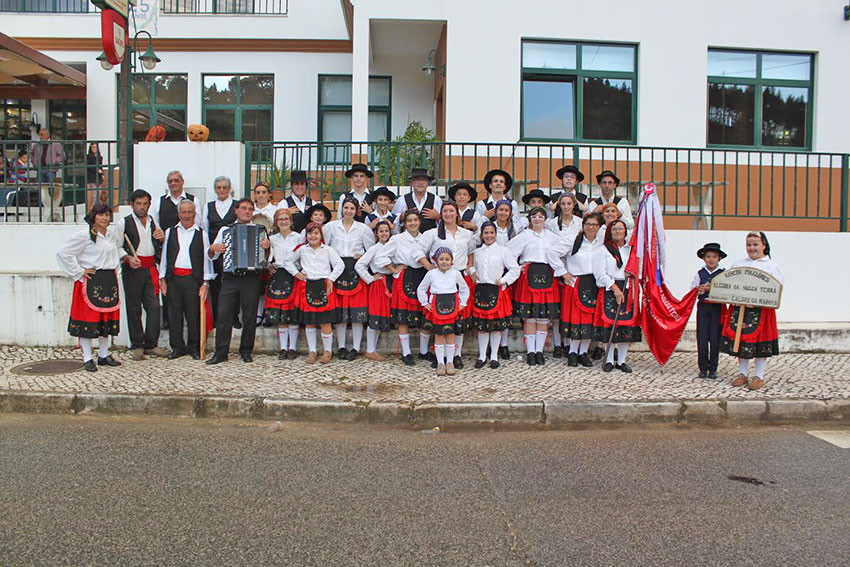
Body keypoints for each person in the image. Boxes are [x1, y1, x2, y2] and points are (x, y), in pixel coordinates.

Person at [56, 203, 121, 372]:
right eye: (100, 215)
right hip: (91, 280)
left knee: (105, 319)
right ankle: (87, 358)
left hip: (108, 280)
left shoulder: (111, 235)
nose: (104, 218)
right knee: (88, 321)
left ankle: (103, 355)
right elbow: (63, 253)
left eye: (107, 215)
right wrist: (79, 271)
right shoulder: (84, 235)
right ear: (94, 217)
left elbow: (114, 255)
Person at [206, 198, 270, 364]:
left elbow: (267, 260)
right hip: (231, 277)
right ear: (236, 210)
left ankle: (246, 351)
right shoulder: (225, 230)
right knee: (224, 315)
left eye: (250, 209)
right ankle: (220, 352)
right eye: (243, 208)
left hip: (251, 278)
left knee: (249, 315)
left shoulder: (260, 231)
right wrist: (213, 248)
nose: (247, 211)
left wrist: (267, 247)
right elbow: (213, 254)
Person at [413, 201, 475, 369]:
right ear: (441, 214)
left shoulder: (465, 234)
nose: (448, 214)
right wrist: (429, 267)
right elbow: (417, 251)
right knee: (439, 319)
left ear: (456, 213)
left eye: (451, 211)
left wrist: (469, 266)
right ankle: (438, 355)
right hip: (439, 278)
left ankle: (456, 355)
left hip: (458, 277)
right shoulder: (433, 233)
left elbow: (471, 251)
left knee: (458, 320)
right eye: (445, 211)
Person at [720, 232, 785, 391]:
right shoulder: (738, 265)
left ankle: (759, 376)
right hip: (740, 309)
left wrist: (757, 302)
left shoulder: (772, 267)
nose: (752, 248)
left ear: (764, 245)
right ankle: (742, 374)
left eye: (755, 244)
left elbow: (776, 291)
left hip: (761, 312)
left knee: (760, 344)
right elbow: (729, 286)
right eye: (749, 245)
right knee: (741, 341)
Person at [114, 189, 167, 360]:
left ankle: (151, 344)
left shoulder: (153, 221)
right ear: (132, 204)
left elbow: (159, 243)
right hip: (133, 269)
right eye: (138, 204)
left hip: (150, 268)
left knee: (154, 307)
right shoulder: (124, 223)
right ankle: (137, 345)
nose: (142, 207)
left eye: (145, 204)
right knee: (134, 307)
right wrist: (128, 258)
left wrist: (161, 237)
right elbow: (117, 246)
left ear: (149, 205)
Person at [158, 200, 214, 360]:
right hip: (174, 278)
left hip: (192, 279)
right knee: (174, 314)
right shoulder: (170, 232)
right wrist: (162, 279)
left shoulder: (201, 234)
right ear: (179, 214)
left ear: (194, 213)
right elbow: (165, 256)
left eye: (190, 212)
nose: (187, 215)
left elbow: (206, 260)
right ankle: (177, 347)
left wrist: (205, 283)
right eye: (184, 212)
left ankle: (194, 347)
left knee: (193, 314)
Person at [508, 207, 562, 366]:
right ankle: (531, 352)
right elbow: (508, 253)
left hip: (547, 276)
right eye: (534, 216)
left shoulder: (552, 237)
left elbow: (563, 253)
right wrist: (518, 267)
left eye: (540, 216)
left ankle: (539, 351)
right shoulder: (523, 236)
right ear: (530, 219)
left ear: (545, 219)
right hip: (529, 276)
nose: (537, 219)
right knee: (530, 316)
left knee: (543, 317)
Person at [284, 222, 344, 364]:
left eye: (316, 233)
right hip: (308, 285)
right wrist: (297, 274)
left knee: (325, 321)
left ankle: (327, 351)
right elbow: (287, 262)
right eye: (310, 233)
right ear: (306, 236)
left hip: (324, 286)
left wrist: (331, 278)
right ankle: (312, 351)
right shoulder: (302, 249)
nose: (313, 236)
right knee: (309, 322)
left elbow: (339, 264)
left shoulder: (328, 250)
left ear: (321, 235)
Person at [323, 198, 376, 360]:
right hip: (338, 269)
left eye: (352, 208)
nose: (348, 211)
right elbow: (324, 247)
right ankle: (341, 347)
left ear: (356, 211)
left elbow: (371, 250)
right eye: (346, 207)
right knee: (341, 312)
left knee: (356, 311)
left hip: (355, 269)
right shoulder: (331, 227)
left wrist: (362, 256)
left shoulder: (363, 229)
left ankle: (355, 347)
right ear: (342, 209)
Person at [149, 170, 202, 331]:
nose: (173, 183)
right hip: (168, 245)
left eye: (176, 180)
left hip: (189, 247)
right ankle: (167, 321)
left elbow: (199, 223)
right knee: (169, 290)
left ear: (182, 182)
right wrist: (159, 234)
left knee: (191, 303)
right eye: (170, 181)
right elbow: (153, 223)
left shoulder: (193, 200)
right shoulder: (159, 202)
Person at [550, 212, 603, 367]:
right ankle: (573, 352)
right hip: (576, 283)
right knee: (576, 320)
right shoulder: (572, 239)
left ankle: (583, 352)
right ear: (583, 225)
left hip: (593, 284)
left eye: (594, 225)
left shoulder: (602, 242)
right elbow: (552, 253)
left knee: (589, 320)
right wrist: (563, 272)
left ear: (599, 227)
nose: (591, 227)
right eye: (588, 224)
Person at [377, 209, 428, 365]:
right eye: (409, 221)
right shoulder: (397, 239)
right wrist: (393, 269)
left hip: (423, 277)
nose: (412, 223)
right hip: (404, 277)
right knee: (403, 319)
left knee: (425, 315)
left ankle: (424, 352)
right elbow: (381, 257)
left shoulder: (425, 238)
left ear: (419, 222)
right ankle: (406, 353)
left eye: (415, 220)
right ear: (404, 223)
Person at [469, 222, 520, 369]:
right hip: (481, 291)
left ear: (496, 234)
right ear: (481, 235)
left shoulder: (503, 251)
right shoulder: (477, 252)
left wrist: (503, 280)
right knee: (483, 327)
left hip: (496, 291)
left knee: (496, 327)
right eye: (486, 233)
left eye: (491, 232)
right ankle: (482, 356)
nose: (489, 235)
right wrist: (472, 271)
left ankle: (494, 356)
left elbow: (515, 269)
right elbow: (471, 266)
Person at [593, 219, 641, 373]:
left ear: (625, 231)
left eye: (620, 228)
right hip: (610, 288)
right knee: (611, 325)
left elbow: (639, 268)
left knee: (626, 325)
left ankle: (621, 360)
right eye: (614, 229)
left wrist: (632, 274)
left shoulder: (631, 250)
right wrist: (614, 288)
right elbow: (599, 273)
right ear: (610, 232)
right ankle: (608, 360)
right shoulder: (603, 250)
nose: (618, 231)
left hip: (628, 288)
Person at [417, 247, 470, 376]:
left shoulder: (456, 273)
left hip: (451, 307)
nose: (444, 262)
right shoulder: (431, 274)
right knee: (439, 335)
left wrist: (462, 303)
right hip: (437, 307)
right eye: (441, 259)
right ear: (436, 261)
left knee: (450, 334)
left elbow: (464, 289)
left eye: (447, 259)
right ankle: (440, 363)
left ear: (451, 261)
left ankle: (450, 362)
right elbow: (421, 289)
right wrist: (425, 303)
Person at [545, 192, 582, 357]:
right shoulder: (552, 224)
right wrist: (559, 269)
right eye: (563, 204)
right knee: (556, 310)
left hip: (574, 268)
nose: (566, 207)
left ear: (574, 205)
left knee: (570, 309)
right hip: (556, 268)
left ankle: (568, 342)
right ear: (559, 205)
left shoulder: (580, 223)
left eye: (569, 203)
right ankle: (558, 343)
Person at [355, 220, 397, 361]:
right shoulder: (374, 249)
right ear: (376, 234)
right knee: (375, 315)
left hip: (389, 282)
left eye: (386, 231)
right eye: (381, 231)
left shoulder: (393, 246)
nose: (384, 233)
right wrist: (370, 278)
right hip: (378, 284)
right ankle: (370, 349)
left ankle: (373, 349)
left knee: (382, 316)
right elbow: (359, 265)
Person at [266, 208, 303, 360]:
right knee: (281, 314)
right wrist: (269, 265)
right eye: (280, 219)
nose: (283, 222)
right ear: (276, 222)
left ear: (290, 220)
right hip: (278, 275)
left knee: (292, 314)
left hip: (294, 275)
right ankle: (283, 348)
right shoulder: (271, 239)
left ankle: (292, 347)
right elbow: (266, 256)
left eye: (286, 218)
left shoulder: (299, 237)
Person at [204, 175, 237, 325]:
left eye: (225, 187)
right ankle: (217, 318)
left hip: (233, 252)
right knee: (216, 285)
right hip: (215, 253)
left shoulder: (236, 205)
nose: (222, 190)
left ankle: (234, 317)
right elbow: (205, 229)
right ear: (215, 190)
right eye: (219, 187)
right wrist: (210, 248)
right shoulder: (209, 206)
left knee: (234, 285)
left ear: (229, 189)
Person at [691, 242, 727, 379]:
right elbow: (693, 290)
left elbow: (727, 290)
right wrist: (699, 290)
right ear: (704, 258)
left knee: (714, 338)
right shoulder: (700, 273)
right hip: (703, 308)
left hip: (717, 308)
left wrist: (711, 288)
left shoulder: (724, 273)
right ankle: (703, 368)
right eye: (708, 256)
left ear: (719, 258)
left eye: (714, 257)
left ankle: (713, 369)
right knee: (702, 338)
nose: (711, 259)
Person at [391, 168, 442, 232]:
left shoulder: (436, 200)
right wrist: (401, 217)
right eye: (417, 179)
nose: (420, 183)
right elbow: (393, 223)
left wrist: (438, 217)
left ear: (428, 183)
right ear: (411, 183)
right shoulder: (402, 200)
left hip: (431, 237)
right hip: (408, 237)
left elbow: (446, 223)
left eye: (424, 180)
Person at [86, 142, 105, 209]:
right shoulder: (88, 157)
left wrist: (102, 174)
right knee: (94, 192)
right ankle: (94, 206)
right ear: (90, 148)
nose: (94, 149)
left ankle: (98, 206)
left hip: (98, 177)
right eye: (93, 147)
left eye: (96, 147)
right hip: (92, 176)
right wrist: (97, 170)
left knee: (99, 192)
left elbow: (101, 166)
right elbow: (89, 166)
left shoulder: (99, 157)